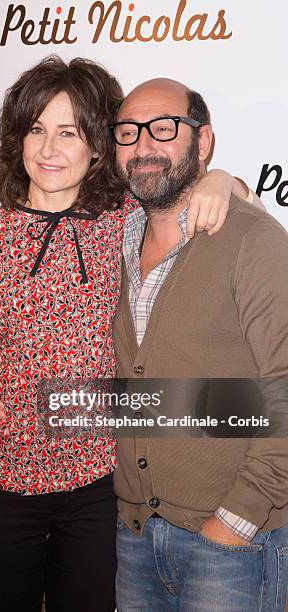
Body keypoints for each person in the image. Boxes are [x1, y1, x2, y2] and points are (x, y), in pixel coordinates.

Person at [0, 57, 259, 612]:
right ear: (17, 140)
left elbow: (221, 197)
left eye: (69, 132)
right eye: (36, 129)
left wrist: (221, 178)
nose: (49, 149)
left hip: (100, 488)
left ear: (97, 146)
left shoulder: (128, 222)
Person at [109, 78, 288, 611]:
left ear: (202, 142)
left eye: (163, 129)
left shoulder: (252, 242)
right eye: (127, 131)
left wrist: (234, 521)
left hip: (231, 546)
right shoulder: (106, 240)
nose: (142, 145)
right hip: (133, 539)